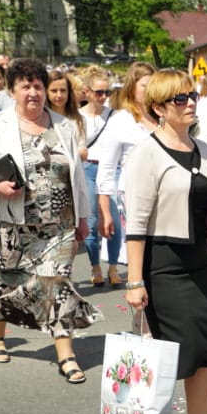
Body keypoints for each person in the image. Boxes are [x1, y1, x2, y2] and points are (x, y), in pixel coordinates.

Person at [123, 69, 207, 414]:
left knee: (205, 350)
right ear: (158, 108)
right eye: (179, 99)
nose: (190, 103)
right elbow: (135, 224)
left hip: (200, 262)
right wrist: (134, 280)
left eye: (192, 96)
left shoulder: (203, 148)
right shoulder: (146, 152)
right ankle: (135, 410)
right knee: (175, 348)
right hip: (163, 263)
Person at [0, 57, 100, 378]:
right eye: (25, 86)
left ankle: (66, 355)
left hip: (59, 225)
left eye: (38, 86)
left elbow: (77, 178)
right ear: (13, 91)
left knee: (57, 282)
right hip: (12, 222)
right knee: (8, 281)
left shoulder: (65, 126)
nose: (33, 92)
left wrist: (83, 218)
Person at [95, 62, 156, 244]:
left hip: (165, 196)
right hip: (133, 196)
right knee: (139, 253)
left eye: (154, 86)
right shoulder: (120, 121)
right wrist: (104, 212)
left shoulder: (164, 118)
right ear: (132, 88)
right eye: (145, 85)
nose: (150, 91)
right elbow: (106, 169)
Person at [79, 66, 122, 287]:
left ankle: (113, 267)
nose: (104, 97)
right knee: (92, 220)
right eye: (99, 92)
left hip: (111, 169)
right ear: (87, 91)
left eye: (107, 92)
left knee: (112, 218)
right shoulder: (77, 117)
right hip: (87, 168)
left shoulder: (115, 115)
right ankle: (95, 266)